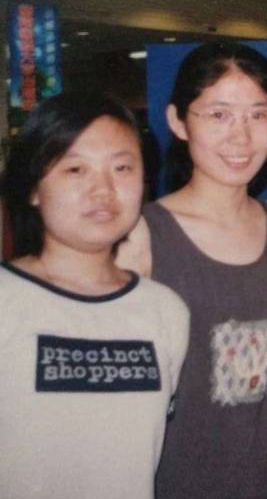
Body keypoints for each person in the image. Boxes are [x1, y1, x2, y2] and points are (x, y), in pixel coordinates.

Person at [116, 42, 267, 499]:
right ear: (179, 121)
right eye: (219, 115)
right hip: (175, 481)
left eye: (258, 115)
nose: (241, 137)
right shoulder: (142, 235)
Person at [0, 92, 189, 499]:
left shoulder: (165, 311)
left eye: (122, 168)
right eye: (75, 169)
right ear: (33, 189)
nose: (103, 189)